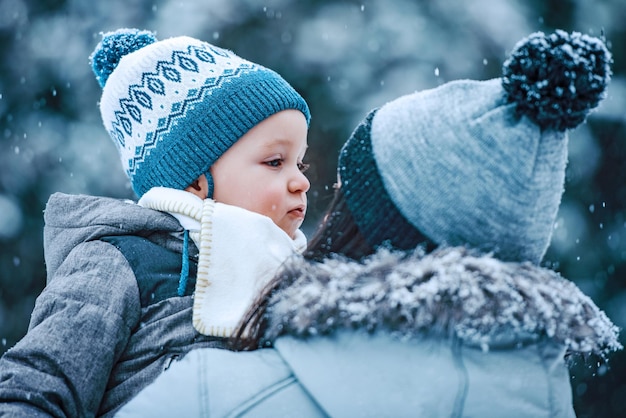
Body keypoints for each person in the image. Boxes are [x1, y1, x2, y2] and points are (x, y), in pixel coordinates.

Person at [116, 30, 622, 417]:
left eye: (343, 193)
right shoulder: (546, 397)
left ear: (365, 226)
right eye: (276, 164)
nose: (307, 189)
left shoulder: (214, 395)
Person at [0, 28, 312, 417]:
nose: (302, 181)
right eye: (274, 162)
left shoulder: (299, 278)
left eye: (301, 163)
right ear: (196, 180)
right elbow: (37, 387)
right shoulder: (122, 262)